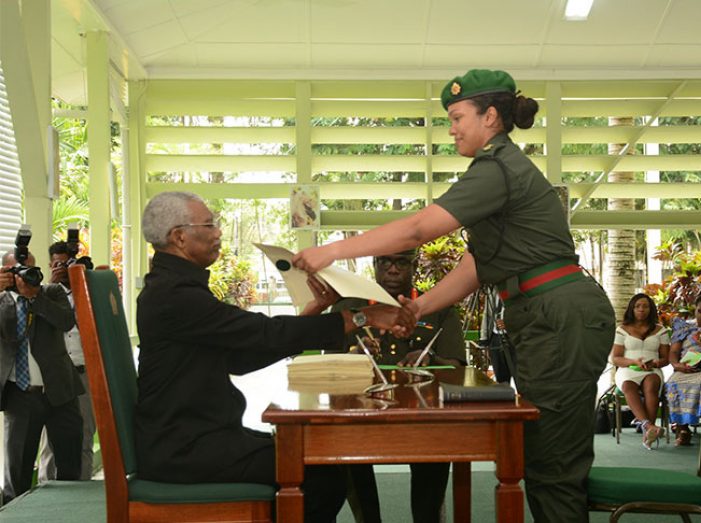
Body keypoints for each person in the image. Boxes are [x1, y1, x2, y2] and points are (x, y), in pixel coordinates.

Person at [292, 69, 616, 522]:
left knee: (552, 463)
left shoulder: (497, 166)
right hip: (544, 313)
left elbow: (419, 228)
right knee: (543, 457)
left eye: (458, 116)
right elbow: (477, 265)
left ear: (490, 117)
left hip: (556, 313)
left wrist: (330, 250)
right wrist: (419, 307)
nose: (451, 127)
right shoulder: (498, 169)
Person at [135, 191, 415, 522]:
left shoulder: (172, 287)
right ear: (179, 236)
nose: (218, 232)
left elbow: (238, 358)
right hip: (186, 450)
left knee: (320, 459)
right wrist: (360, 317)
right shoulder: (175, 296)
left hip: (195, 439)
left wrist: (312, 314)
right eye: (210, 224)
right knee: (323, 478)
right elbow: (263, 333)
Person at [331, 249, 466, 523]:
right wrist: (354, 355)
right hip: (360, 414)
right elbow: (329, 366)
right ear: (375, 264)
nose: (393, 270)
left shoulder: (438, 308)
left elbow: (457, 367)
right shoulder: (348, 309)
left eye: (401, 262)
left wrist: (430, 358)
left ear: (414, 266)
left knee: (437, 448)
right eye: (385, 262)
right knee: (344, 450)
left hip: (423, 415)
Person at [0, 251, 83, 503]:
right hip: (20, 396)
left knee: (70, 470)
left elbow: (67, 321)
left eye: (30, 269)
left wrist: (34, 296)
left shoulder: (52, 293)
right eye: (18, 270)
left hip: (60, 392)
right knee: (18, 475)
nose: (25, 275)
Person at [38, 242, 96, 482]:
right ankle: (45, 490)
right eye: (58, 264)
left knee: (83, 438)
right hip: (55, 376)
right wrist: (52, 285)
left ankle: (81, 490)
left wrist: (83, 284)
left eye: (67, 264)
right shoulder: (42, 294)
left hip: (83, 375)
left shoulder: (88, 295)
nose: (62, 269)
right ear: (50, 265)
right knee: (49, 443)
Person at [611, 293, 670, 450]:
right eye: (638, 306)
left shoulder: (660, 330)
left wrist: (656, 362)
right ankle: (649, 426)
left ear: (651, 309)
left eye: (645, 306)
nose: (641, 309)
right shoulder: (622, 330)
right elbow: (615, 358)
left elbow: (666, 358)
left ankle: (648, 431)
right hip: (628, 369)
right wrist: (633, 362)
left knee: (651, 385)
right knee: (628, 386)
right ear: (632, 309)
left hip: (652, 369)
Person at [665, 293, 701, 447]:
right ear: (695, 310)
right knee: (672, 382)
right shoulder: (685, 328)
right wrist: (677, 365)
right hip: (685, 367)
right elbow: (673, 353)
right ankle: (682, 429)